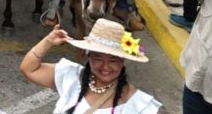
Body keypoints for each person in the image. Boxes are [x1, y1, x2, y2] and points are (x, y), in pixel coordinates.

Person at [20, 20, 159, 114]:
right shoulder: (71, 76)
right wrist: (48, 41)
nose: (105, 66)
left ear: (122, 61)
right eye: (98, 58)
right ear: (89, 57)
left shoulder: (138, 105)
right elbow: (29, 69)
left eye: (113, 60)